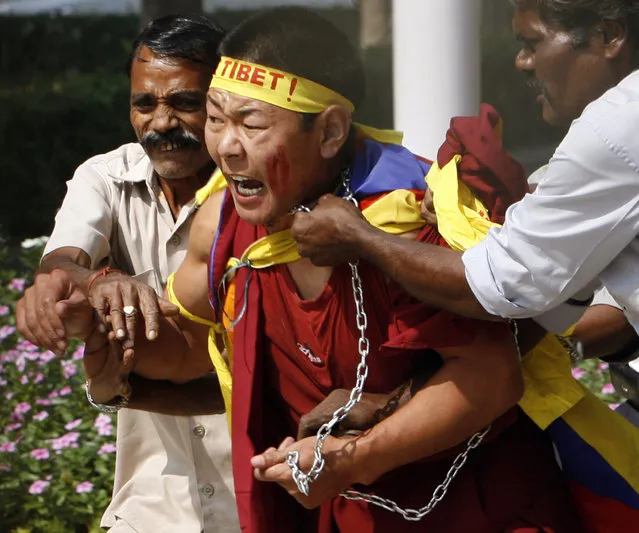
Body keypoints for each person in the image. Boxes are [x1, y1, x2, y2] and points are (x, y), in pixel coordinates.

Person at [78, 7, 584, 533]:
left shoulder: (404, 218)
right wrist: (110, 337)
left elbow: (490, 375)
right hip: (338, 510)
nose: (226, 146)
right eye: (216, 118)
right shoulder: (222, 220)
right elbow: (188, 344)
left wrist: (352, 460)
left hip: (475, 507)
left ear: (330, 132)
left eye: (251, 124)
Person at [290, 0, 639, 341]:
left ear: (608, 36)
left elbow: (505, 284)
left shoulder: (615, 125)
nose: (522, 62)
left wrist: (361, 238)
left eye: (532, 43)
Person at [15, 15, 239, 533]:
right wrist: (99, 281)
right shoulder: (106, 176)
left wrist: (117, 390)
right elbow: (60, 263)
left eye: (184, 102)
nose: (161, 122)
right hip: (149, 506)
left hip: (258, 500)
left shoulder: (256, 191)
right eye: (145, 104)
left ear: (221, 101)